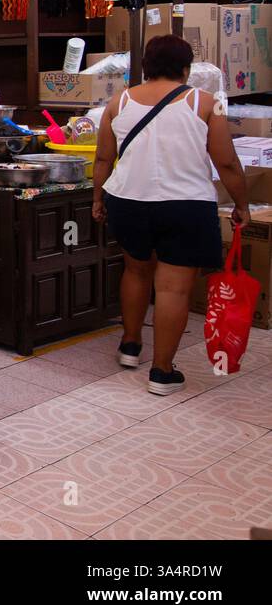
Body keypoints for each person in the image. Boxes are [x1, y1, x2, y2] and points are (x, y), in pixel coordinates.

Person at [92, 35, 248, 396]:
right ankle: (162, 372)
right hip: (186, 205)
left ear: (145, 67)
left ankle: (130, 347)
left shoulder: (120, 101)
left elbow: (103, 158)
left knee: (135, 269)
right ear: (185, 68)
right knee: (172, 287)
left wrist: (98, 198)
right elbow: (225, 162)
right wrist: (241, 204)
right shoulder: (204, 102)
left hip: (128, 199)